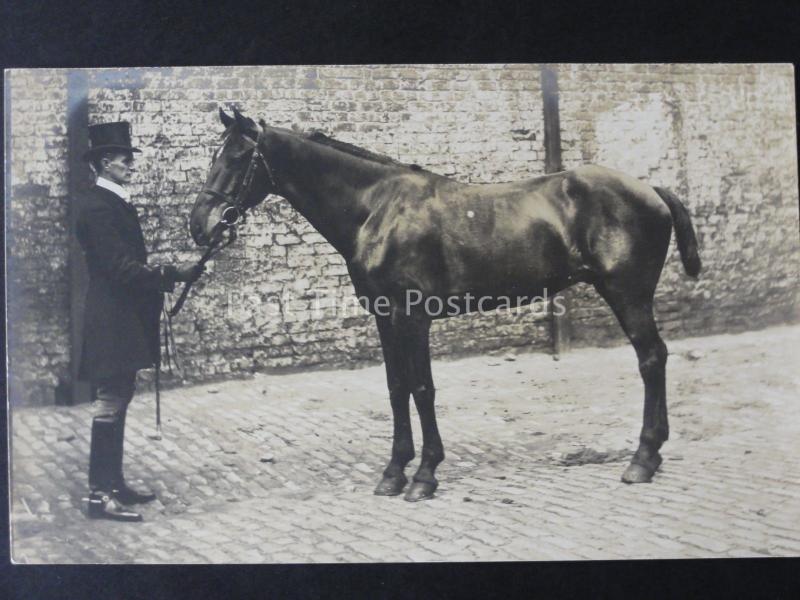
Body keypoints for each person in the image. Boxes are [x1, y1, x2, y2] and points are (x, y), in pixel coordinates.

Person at [75, 121, 203, 522]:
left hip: (122, 316)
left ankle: (114, 484)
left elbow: (128, 266)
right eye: (125, 158)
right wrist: (171, 273)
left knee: (121, 396)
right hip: (111, 318)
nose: (132, 164)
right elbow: (120, 269)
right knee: (109, 402)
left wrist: (169, 274)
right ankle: (99, 496)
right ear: (104, 163)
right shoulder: (97, 207)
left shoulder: (116, 202)